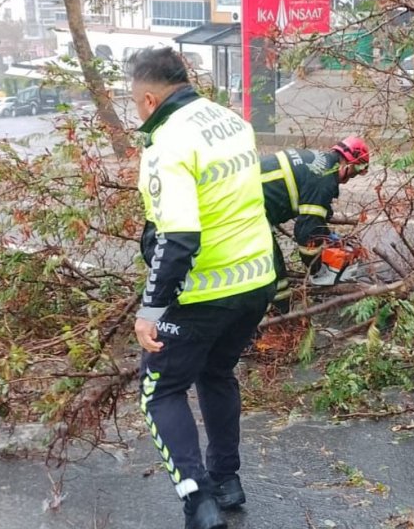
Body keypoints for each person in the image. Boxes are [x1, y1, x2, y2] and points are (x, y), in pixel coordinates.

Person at [129, 47, 277, 529]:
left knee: (161, 391)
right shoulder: (230, 121)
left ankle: (200, 502)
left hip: (202, 294)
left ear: (149, 99)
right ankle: (226, 481)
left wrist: (150, 311)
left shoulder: (166, 144)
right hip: (255, 281)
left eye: (134, 102)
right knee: (217, 373)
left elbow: (178, 237)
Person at [260, 137, 370, 286]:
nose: (348, 179)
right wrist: (317, 269)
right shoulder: (324, 181)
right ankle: (283, 308)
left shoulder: (320, 162)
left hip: (245, 199)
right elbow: (307, 234)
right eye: (354, 172)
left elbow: (311, 201)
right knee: (274, 275)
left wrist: (326, 233)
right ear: (347, 163)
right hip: (245, 209)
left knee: (273, 270)